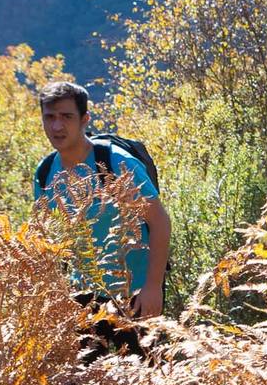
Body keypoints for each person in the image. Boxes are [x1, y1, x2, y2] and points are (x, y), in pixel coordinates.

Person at [33, 80, 171, 323]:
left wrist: (153, 287)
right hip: (81, 296)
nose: (57, 126)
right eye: (50, 117)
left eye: (66, 116)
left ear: (84, 119)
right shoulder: (45, 172)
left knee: (139, 362)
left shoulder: (115, 163)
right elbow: (47, 239)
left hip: (134, 293)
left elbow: (159, 222)